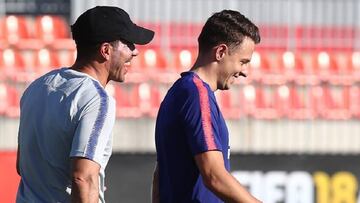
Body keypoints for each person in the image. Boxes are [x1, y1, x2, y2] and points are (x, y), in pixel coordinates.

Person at [16, 6, 154, 203]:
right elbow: (84, 178)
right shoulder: (97, 99)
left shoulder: (37, 87)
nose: (135, 52)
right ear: (106, 50)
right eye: (129, 44)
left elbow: (22, 166)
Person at [153, 10, 261, 203]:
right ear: (220, 52)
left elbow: (159, 174)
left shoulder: (179, 92)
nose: (244, 72)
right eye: (242, 62)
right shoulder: (196, 94)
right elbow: (214, 176)